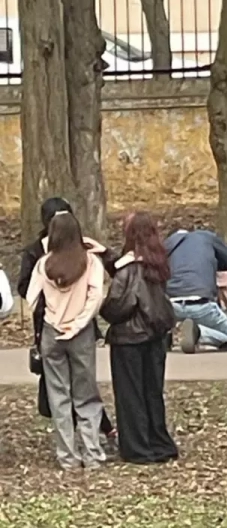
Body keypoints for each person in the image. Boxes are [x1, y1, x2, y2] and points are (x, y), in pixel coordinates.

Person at [17, 197, 117, 441]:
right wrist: (52, 307)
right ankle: (74, 445)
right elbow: (26, 288)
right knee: (60, 390)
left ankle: (93, 437)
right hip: (53, 326)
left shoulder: (84, 250)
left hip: (76, 324)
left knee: (82, 387)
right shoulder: (36, 253)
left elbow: (101, 284)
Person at [26, 211, 106, 470]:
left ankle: (67, 456)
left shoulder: (44, 264)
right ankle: (92, 454)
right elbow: (96, 296)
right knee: (87, 395)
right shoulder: (90, 262)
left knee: (59, 397)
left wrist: (50, 315)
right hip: (80, 334)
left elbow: (31, 298)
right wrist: (78, 322)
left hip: (52, 333)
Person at [100, 212, 179, 465]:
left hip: (129, 338)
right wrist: (107, 255)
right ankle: (159, 443)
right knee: (152, 391)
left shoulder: (129, 269)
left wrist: (104, 309)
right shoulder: (158, 265)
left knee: (130, 394)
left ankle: (137, 448)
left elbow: (118, 305)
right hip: (156, 335)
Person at [164, 227, 227, 353]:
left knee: (167, 318)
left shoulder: (166, 245)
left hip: (171, 305)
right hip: (201, 302)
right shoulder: (205, 237)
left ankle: (165, 337)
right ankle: (199, 333)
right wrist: (212, 263)